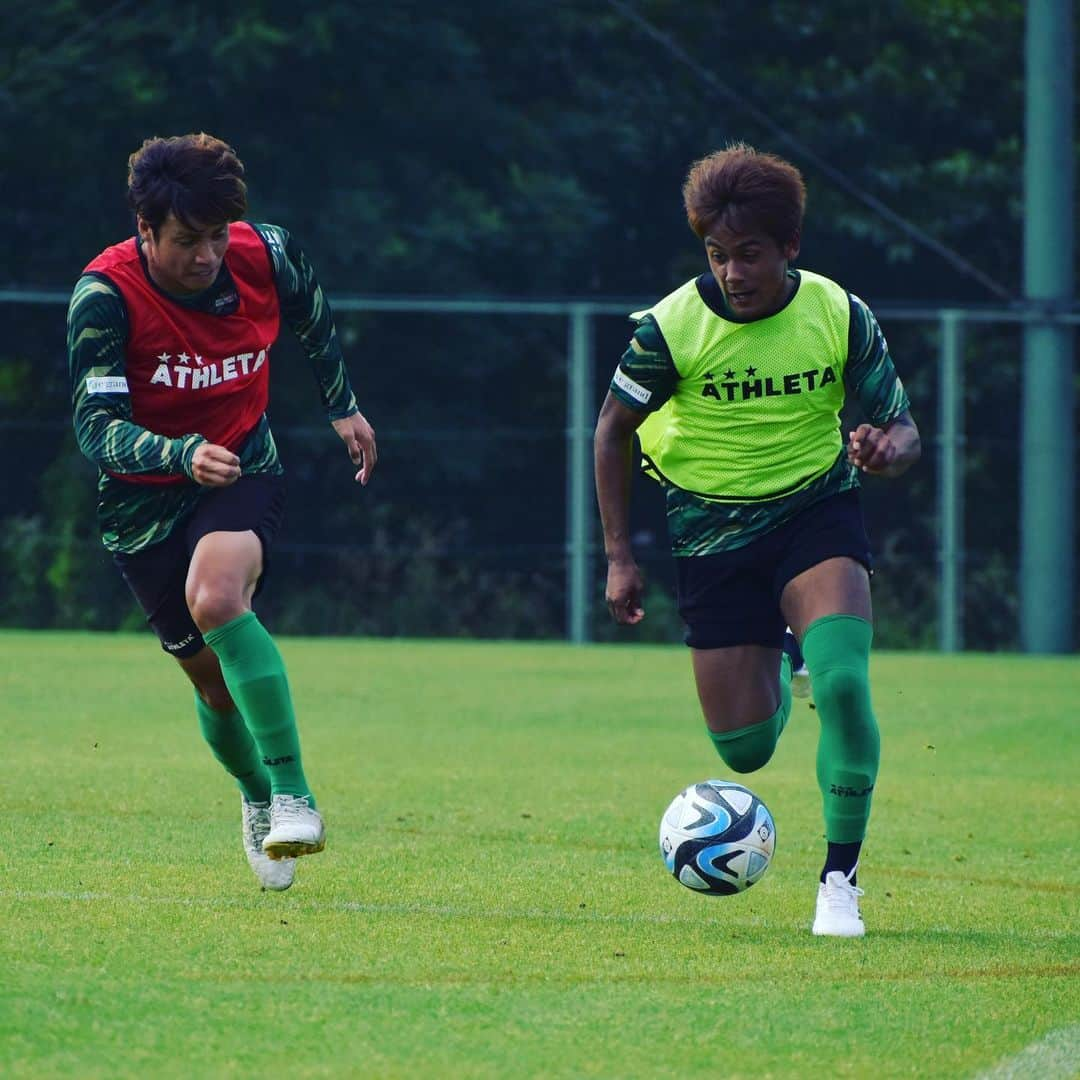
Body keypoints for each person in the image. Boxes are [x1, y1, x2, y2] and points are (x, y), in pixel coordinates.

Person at [594, 143, 920, 937]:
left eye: (750, 255)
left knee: (842, 684)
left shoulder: (839, 314)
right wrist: (619, 557)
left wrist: (885, 450)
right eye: (717, 255)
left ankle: (840, 880)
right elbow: (610, 434)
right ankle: (783, 644)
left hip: (816, 513)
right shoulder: (671, 328)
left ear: (790, 249)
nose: (733, 273)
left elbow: (905, 431)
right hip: (709, 535)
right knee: (742, 750)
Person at [67, 133, 377, 891]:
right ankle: (256, 797)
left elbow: (312, 316)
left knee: (217, 595)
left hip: (242, 465)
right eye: (185, 241)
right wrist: (178, 454)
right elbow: (94, 429)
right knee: (210, 684)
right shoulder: (103, 297)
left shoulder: (266, 253)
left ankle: (296, 795)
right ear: (145, 231)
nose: (206, 255)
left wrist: (343, 408)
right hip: (141, 506)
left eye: (214, 237)